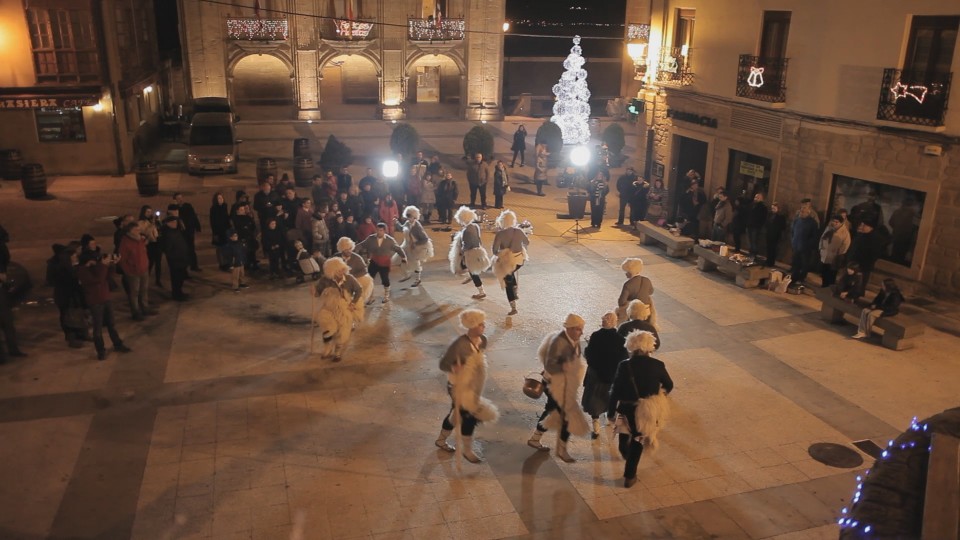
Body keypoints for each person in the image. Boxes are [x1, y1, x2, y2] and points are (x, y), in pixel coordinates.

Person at [607, 330, 674, 488]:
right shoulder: (658, 365)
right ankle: (630, 476)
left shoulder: (624, 366)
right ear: (649, 346)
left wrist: (610, 411)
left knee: (624, 434)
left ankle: (624, 451)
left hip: (626, 409)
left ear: (631, 346)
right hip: (646, 412)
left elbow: (615, 390)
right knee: (638, 440)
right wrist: (657, 396)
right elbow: (669, 385)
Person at [435, 309, 499, 463]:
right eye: (480, 324)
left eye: (483, 323)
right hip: (458, 386)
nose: (484, 326)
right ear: (471, 326)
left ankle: (441, 440)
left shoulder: (483, 340)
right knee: (469, 416)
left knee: (455, 415)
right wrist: (454, 368)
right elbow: (443, 364)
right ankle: (467, 451)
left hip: (473, 385)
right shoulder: (459, 344)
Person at [527, 314, 591, 463]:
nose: (581, 332)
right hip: (555, 386)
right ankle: (562, 450)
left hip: (565, 385)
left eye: (582, 329)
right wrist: (563, 367)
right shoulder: (559, 342)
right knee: (568, 416)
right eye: (578, 329)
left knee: (551, 410)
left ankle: (535, 439)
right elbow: (550, 365)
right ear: (569, 328)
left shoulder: (573, 340)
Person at [77, 249, 132, 360]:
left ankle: (118, 344)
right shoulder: (82, 271)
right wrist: (102, 265)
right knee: (97, 329)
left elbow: (108, 276)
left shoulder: (97, 267)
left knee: (112, 324)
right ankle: (100, 351)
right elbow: (98, 279)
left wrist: (111, 264)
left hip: (106, 298)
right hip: (95, 302)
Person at [582, 312, 625, 439]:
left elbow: (589, 355)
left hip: (595, 376)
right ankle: (608, 417)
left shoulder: (595, 336)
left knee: (594, 400)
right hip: (612, 377)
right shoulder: (621, 339)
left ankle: (596, 427)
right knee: (608, 398)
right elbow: (623, 359)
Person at [312, 257, 364, 362]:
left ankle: (338, 352)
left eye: (342, 269)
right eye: (337, 270)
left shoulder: (349, 279)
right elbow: (317, 293)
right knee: (328, 328)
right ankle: (327, 348)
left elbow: (359, 290)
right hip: (328, 308)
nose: (341, 272)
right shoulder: (325, 280)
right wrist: (314, 291)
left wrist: (353, 303)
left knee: (343, 331)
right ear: (331, 272)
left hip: (344, 308)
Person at [491, 210, 530, 316]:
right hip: (519, 261)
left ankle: (513, 307)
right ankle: (515, 290)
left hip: (508, 262)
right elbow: (527, 242)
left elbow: (494, 251)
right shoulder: (519, 231)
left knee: (507, 279)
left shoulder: (500, 234)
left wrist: (504, 253)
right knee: (511, 273)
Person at [355, 222, 406, 303]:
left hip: (384, 262)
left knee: (385, 279)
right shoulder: (371, 238)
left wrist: (404, 257)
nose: (379, 232)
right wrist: (352, 249)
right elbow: (362, 244)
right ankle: (371, 296)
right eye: (378, 230)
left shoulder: (390, 240)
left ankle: (386, 295)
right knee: (370, 279)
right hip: (374, 261)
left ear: (384, 231)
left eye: (381, 230)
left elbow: (398, 249)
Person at [50, 242, 88, 349]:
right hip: (66, 297)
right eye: (74, 256)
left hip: (74, 296)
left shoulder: (73, 267)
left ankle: (81, 335)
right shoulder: (62, 269)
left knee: (78, 315)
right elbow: (67, 283)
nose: (76, 257)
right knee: (68, 318)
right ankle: (72, 339)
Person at [449, 206, 491, 300]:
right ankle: (471, 277)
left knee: (473, 272)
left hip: (470, 253)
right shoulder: (475, 226)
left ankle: (481, 291)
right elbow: (479, 239)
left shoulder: (465, 231)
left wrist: (462, 251)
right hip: (478, 250)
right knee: (472, 269)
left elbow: (466, 245)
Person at [117, 221, 152, 320]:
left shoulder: (140, 239)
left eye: (139, 229)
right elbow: (122, 259)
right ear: (130, 231)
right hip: (133, 273)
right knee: (134, 293)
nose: (138, 231)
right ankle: (136, 312)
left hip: (143, 269)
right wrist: (128, 271)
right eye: (136, 230)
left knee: (144, 290)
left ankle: (145, 308)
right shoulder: (125, 242)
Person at [394, 206, 434, 287]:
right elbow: (402, 228)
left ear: (414, 216)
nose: (408, 218)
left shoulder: (417, 227)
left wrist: (415, 244)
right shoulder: (408, 223)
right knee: (401, 259)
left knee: (415, 262)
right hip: (407, 244)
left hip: (416, 247)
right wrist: (396, 223)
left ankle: (417, 279)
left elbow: (425, 239)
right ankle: (406, 275)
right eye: (407, 216)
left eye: (410, 216)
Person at [617, 257, 656, 325]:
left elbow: (621, 302)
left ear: (630, 272)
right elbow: (651, 291)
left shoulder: (628, 284)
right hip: (647, 312)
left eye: (626, 271)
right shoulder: (647, 280)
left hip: (634, 312)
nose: (625, 274)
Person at [336, 237, 375, 305]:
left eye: (350, 249)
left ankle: (360, 302)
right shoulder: (336, 258)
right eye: (346, 250)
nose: (349, 251)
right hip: (339, 280)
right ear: (341, 250)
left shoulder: (357, 258)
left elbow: (364, 270)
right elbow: (329, 267)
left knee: (368, 280)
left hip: (354, 278)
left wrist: (353, 277)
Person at [160, 216, 190, 301]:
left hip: (182, 259)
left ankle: (179, 292)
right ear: (168, 223)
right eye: (173, 222)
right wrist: (174, 257)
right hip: (176, 261)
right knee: (176, 279)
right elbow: (167, 249)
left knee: (180, 278)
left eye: (176, 222)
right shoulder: (167, 234)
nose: (175, 224)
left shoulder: (176, 231)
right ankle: (176, 295)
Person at [789, 205, 819, 287]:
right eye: (800, 211)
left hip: (805, 248)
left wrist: (808, 244)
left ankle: (801, 278)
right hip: (796, 246)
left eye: (803, 211)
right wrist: (793, 240)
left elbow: (814, 236)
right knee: (796, 262)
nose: (801, 213)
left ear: (808, 213)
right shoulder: (796, 220)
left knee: (804, 264)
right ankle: (794, 277)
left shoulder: (812, 223)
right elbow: (792, 231)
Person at [848, 220, 884, 287]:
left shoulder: (875, 238)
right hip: (854, 262)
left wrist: (866, 262)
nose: (862, 227)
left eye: (864, 225)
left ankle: (856, 293)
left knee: (861, 281)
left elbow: (874, 253)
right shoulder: (861, 234)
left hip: (865, 264)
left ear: (870, 227)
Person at [819, 214, 851, 288]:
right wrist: (821, 248)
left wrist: (839, 253)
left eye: (837, 222)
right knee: (824, 269)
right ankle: (824, 283)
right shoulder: (829, 228)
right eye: (834, 221)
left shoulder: (845, 232)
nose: (835, 223)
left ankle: (830, 285)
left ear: (841, 223)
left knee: (832, 271)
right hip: (825, 253)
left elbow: (846, 244)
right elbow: (822, 238)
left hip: (835, 255)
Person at [174, 192, 202, 272]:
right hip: (181, 233)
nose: (180, 200)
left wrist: (197, 227)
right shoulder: (175, 209)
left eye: (181, 198)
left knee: (191, 249)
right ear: (175, 200)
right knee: (184, 251)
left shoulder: (188, 206)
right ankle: (185, 268)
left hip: (189, 231)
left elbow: (194, 216)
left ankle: (194, 265)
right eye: (178, 198)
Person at [137, 206, 163, 285]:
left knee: (158, 263)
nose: (149, 213)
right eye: (147, 212)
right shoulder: (141, 222)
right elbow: (145, 232)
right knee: (150, 263)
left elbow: (159, 230)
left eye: (150, 212)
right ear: (143, 212)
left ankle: (158, 280)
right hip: (150, 244)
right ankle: (145, 280)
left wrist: (158, 223)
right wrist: (152, 224)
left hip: (157, 243)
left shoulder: (153, 220)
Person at [210, 192, 231, 271]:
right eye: (219, 198)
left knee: (226, 247)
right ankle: (222, 264)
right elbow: (213, 222)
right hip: (218, 232)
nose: (221, 199)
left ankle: (226, 262)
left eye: (222, 198)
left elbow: (226, 218)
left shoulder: (224, 206)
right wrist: (215, 233)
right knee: (220, 248)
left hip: (225, 230)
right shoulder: (213, 209)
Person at [765, 202, 787, 267]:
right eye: (772, 208)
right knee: (768, 248)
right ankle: (768, 260)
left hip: (776, 235)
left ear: (778, 208)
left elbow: (783, 226)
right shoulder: (769, 214)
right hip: (769, 234)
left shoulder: (781, 217)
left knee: (773, 249)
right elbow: (767, 222)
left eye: (774, 208)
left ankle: (771, 262)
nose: (773, 209)